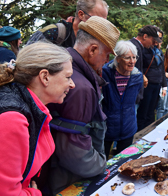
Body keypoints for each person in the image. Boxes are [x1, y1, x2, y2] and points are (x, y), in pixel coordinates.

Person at [47, 16, 120, 194]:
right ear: (93, 49)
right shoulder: (81, 88)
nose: (108, 60)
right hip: (68, 177)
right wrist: (101, 164)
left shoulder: (65, 64)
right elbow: (73, 150)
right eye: (107, 54)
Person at [0, 42, 75, 196]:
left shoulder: (24, 103)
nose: (72, 84)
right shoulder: (12, 120)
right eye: (68, 77)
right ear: (45, 77)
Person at [102, 40, 143, 159]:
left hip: (128, 127)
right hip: (107, 127)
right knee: (102, 162)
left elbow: (137, 97)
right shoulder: (105, 74)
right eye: (128, 58)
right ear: (118, 58)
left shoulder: (137, 77)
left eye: (134, 57)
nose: (132, 61)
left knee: (123, 162)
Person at [27, 0, 108, 48]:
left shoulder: (93, 41)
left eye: (104, 22)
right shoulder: (53, 33)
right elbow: (26, 61)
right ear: (81, 15)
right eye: (98, 19)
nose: (101, 24)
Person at [137, 27, 166, 131]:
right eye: (155, 39)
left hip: (157, 84)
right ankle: (140, 132)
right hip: (147, 85)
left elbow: (162, 69)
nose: (156, 42)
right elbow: (139, 66)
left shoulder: (159, 52)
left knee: (151, 111)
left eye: (159, 39)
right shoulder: (144, 49)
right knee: (143, 111)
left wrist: (164, 85)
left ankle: (148, 131)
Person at [130, 25, 163, 107]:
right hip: (131, 94)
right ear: (145, 36)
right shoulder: (134, 47)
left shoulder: (139, 47)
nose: (153, 43)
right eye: (152, 40)